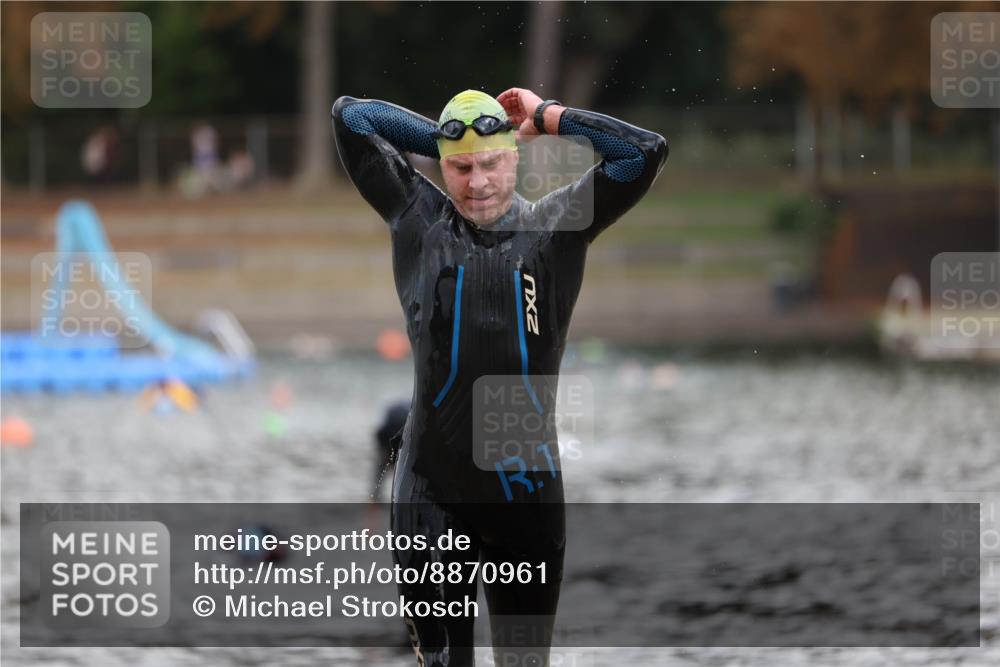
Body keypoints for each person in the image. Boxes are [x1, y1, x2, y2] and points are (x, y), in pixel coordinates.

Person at [332, 87, 667, 666]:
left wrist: (545, 117)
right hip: (431, 496)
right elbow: (351, 118)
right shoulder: (418, 218)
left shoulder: (558, 228)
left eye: (491, 161)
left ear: (515, 155)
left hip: (526, 499)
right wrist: (449, 132)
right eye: (460, 166)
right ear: (442, 164)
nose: (477, 181)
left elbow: (642, 153)